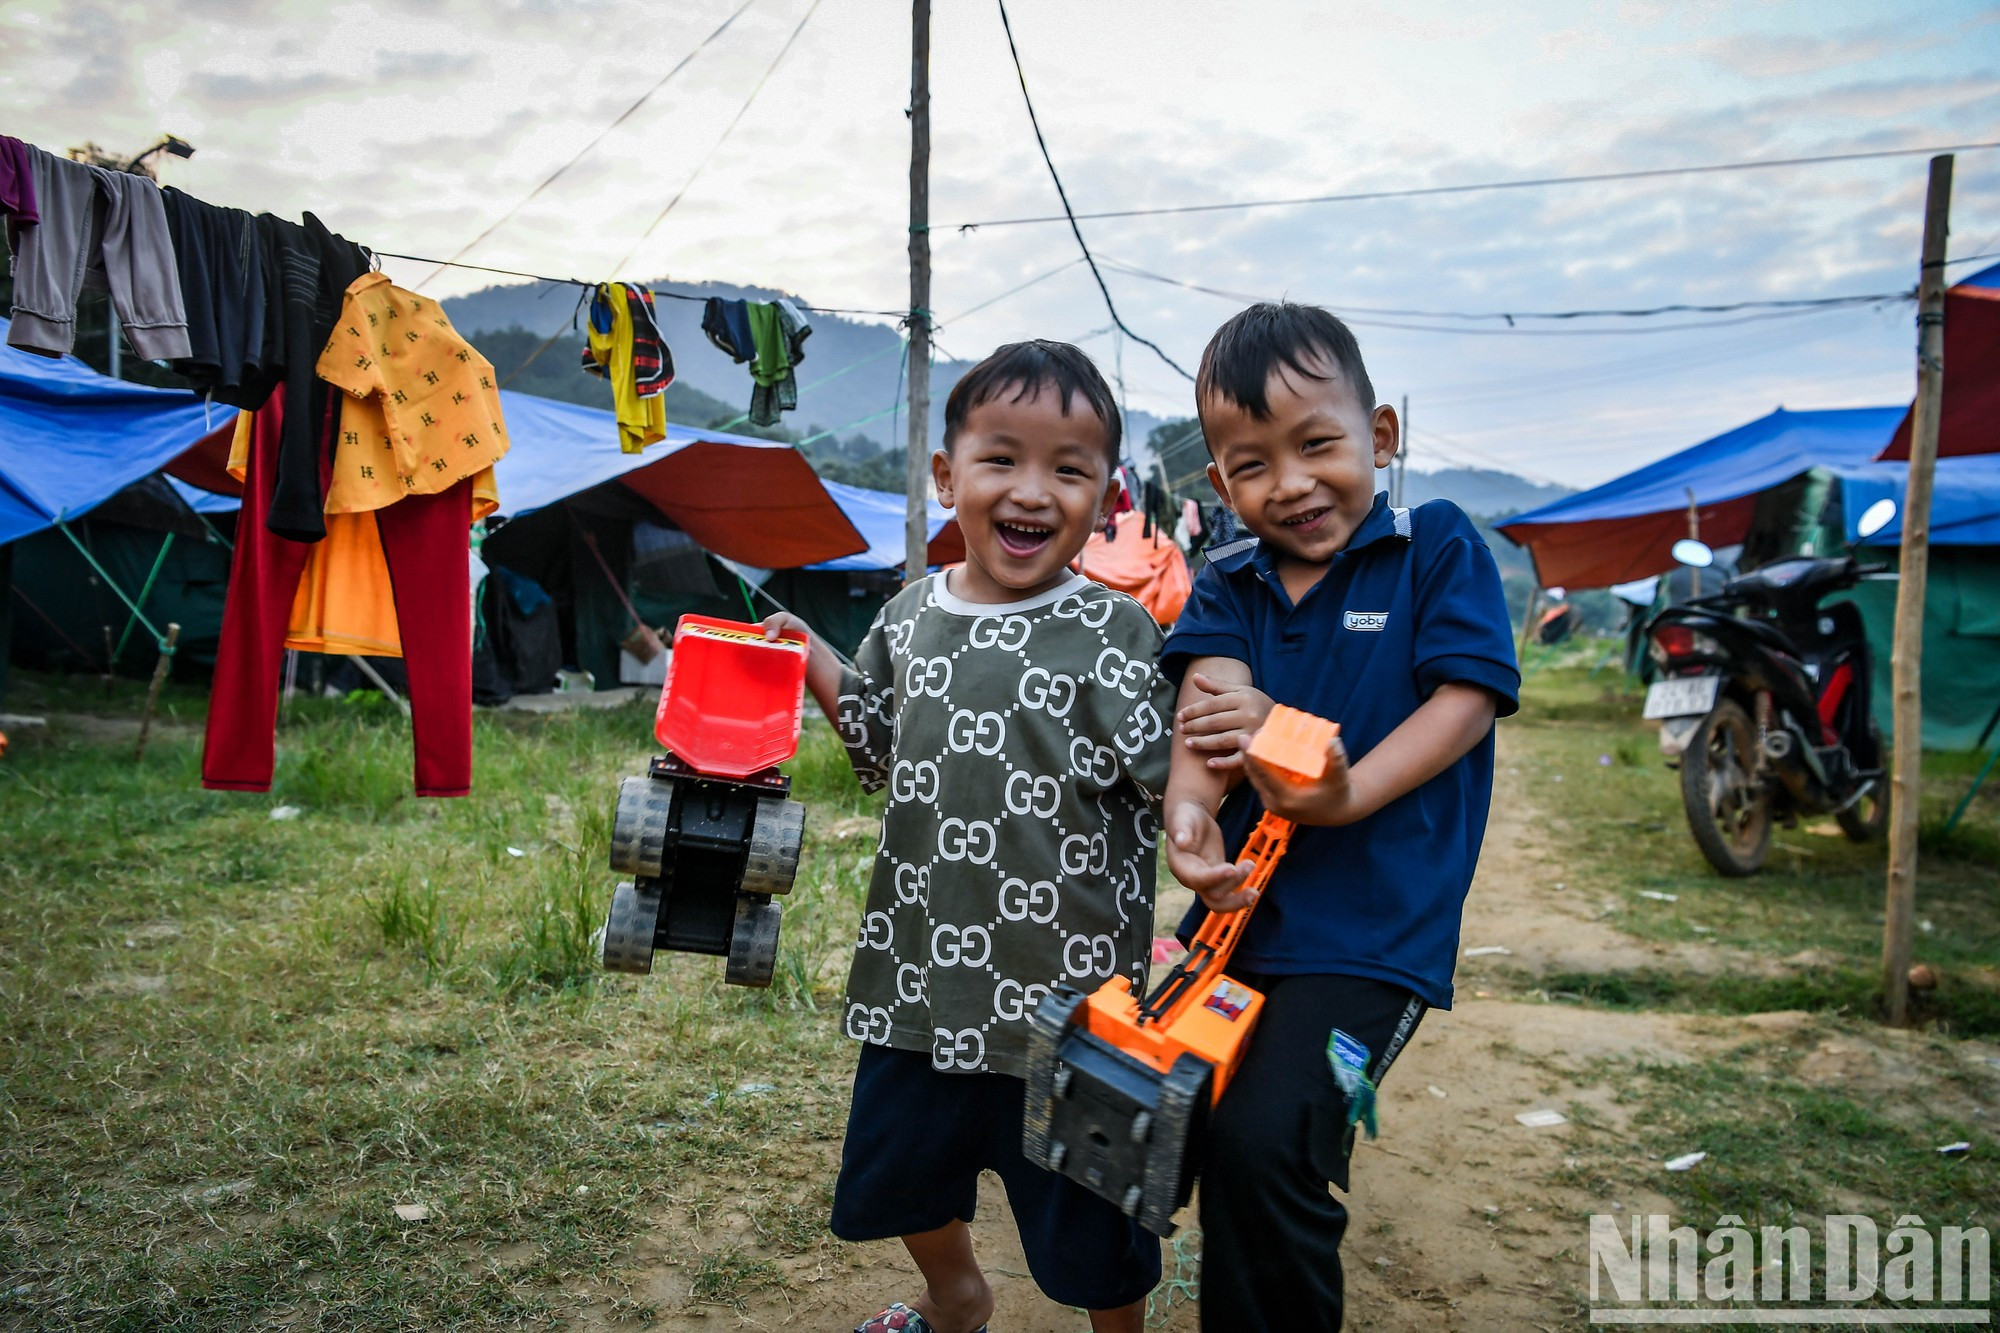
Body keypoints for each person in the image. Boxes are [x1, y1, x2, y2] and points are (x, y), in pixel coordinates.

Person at [762, 340, 1174, 1333]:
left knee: (1093, 1215)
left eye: (1067, 468)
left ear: (1106, 496)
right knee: (906, 1171)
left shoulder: (1115, 633)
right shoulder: (904, 622)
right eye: (1001, 459)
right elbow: (874, 743)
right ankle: (956, 1290)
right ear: (946, 476)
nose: (1031, 490)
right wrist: (813, 657)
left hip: (1075, 1005)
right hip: (918, 985)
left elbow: (1175, 783)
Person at [1159, 303, 1520, 1332]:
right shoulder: (1227, 579)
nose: (1291, 482)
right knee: (1167, 1120)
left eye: (1316, 443)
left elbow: (1463, 701)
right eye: (1252, 463)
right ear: (1221, 486)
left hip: (1374, 933)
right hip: (1236, 927)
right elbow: (1210, 710)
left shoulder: (1434, 547)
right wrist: (1191, 817)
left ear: (1382, 436)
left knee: (1267, 1147)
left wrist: (1346, 786)